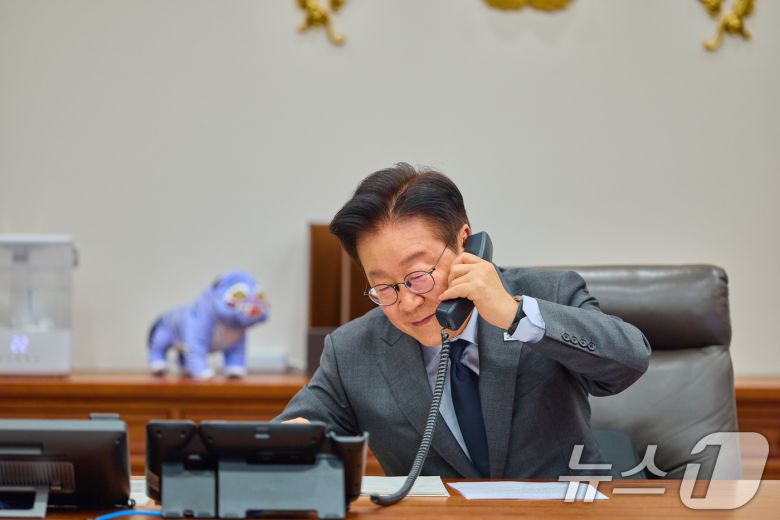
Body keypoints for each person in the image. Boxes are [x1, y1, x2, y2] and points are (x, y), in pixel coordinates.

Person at [277, 163, 651, 478]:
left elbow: (630, 360)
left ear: (465, 243)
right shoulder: (353, 350)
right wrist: (292, 443)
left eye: (419, 275)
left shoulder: (547, 295)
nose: (408, 302)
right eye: (384, 287)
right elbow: (297, 431)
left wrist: (515, 315)